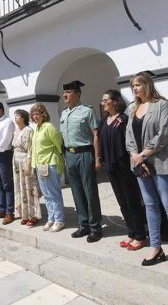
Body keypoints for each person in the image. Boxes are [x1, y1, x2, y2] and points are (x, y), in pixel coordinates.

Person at [125, 71, 168, 276]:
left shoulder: (162, 105)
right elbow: (129, 136)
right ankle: (156, 247)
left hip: (160, 161)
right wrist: (136, 156)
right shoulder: (132, 108)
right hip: (140, 164)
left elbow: (165, 133)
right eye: (132, 85)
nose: (134, 89)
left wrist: (143, 154)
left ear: (147, 85)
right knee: (150, 206)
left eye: (138, 85)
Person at [99, 89, 147, 250]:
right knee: (122, 202)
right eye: (102, 100)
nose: (103, 102)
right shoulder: (105, 120)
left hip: (125, 167)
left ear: (115, 101)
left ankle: (140, 235)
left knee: (132, 201)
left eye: (106, 99)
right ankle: (131, 232)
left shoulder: (124, 119)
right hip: (111, 168)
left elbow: (132, 142)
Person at [60, 80, 103, 242]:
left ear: (78, 94)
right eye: (64, 92)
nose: (65, 95)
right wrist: (65, 157)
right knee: (77, 192)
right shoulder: (64, 113)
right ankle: (83, 224)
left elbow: (96, 135)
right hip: (70, 155)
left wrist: (98, 157)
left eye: (69, 92)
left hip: (85, 153)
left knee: (89, 192)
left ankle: (95, 227)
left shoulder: (87, 111)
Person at [30, 104, 65, 232]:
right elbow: (34, 149)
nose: (35, 116)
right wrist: (33, 166)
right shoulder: (36, 128)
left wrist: (61, 158)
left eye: (37, 114)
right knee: (46, 194)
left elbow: (58, 144)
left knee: (54, 193)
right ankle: (51, 218)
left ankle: (59, 220)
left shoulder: (48, 127)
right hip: (40, 165)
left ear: (43, 114)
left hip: (50, 163)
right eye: (33, 114)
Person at [12, 109, 40, 227]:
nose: (15, 118)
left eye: (17, 116)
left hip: (25, 159)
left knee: (29, 187)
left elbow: (30, 149)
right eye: (15, 116)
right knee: (19, 187)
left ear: (23, 117)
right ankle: (24, 214)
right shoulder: (16, 130)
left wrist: (28, 165)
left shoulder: (28, 130)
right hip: (16, 159)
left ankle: (33, 215)